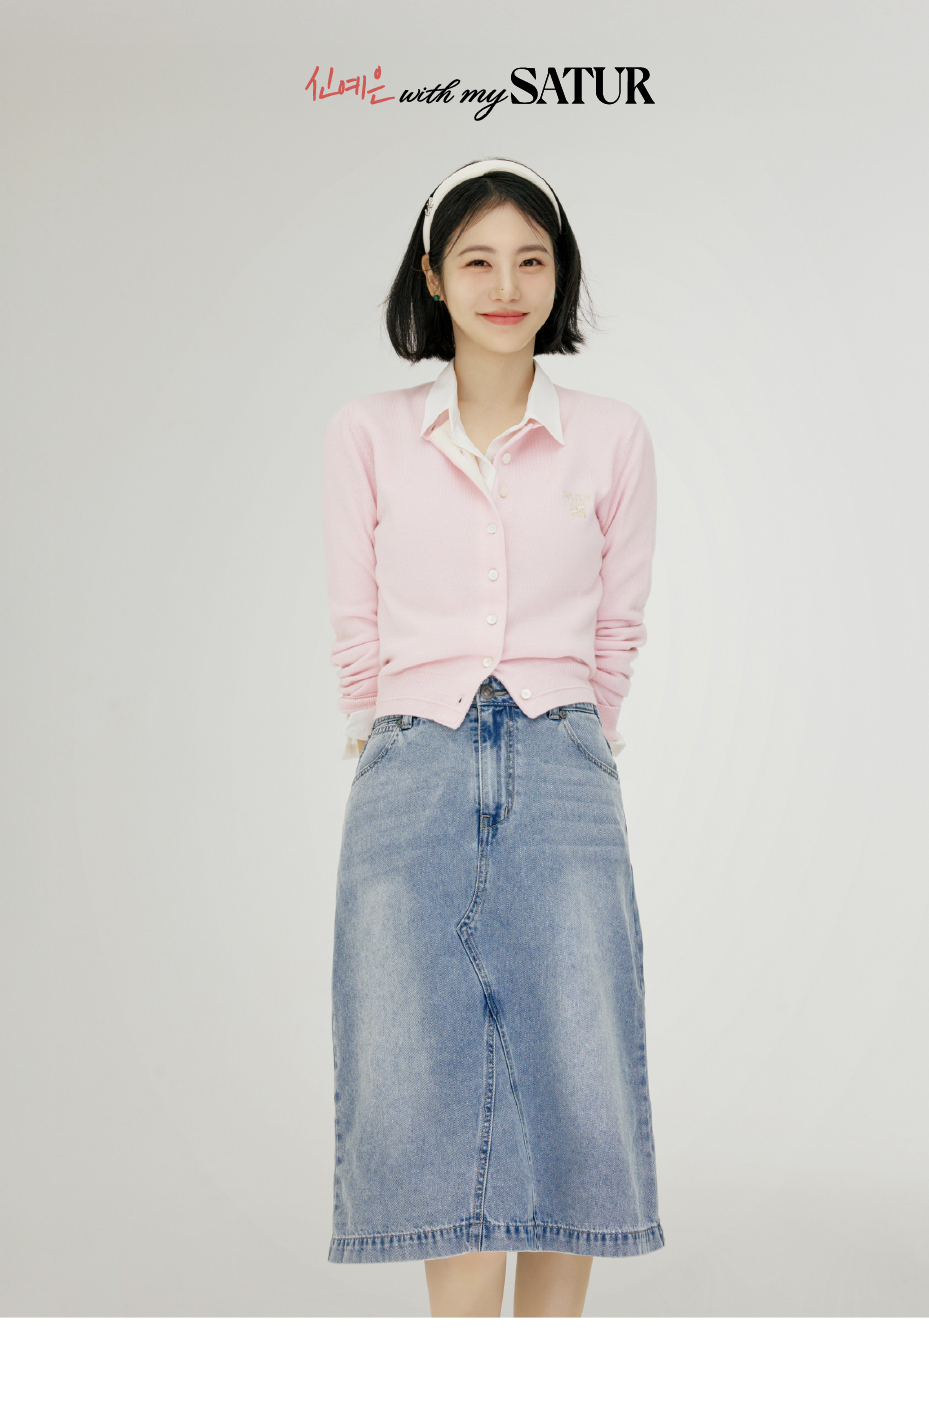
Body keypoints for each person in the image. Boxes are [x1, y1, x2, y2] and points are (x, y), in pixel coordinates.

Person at [320, 158, 663, 1317]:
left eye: (531, 259)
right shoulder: (368, 432)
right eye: (478, 260)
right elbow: (354, 615)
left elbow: (619, 623)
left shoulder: (610, 436)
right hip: (410, 758)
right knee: (421, 1064)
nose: (506, 285)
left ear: (559, 276)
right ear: (433, 276)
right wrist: (380, 733)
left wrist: (581, 734)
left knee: (576, 1059)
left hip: (564, 760)